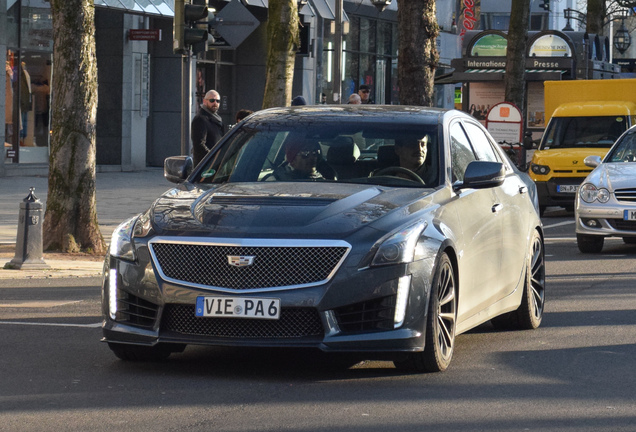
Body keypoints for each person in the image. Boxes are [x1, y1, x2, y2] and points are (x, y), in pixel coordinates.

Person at [191, 89, 224, 167]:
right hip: (206, 166)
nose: (215, 103)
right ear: (205, 101)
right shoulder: (200, 119)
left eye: (218, 101)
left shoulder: (218, 119)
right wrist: (213, 158)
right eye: (212, 100)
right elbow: (199, 145)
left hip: (216, 164)